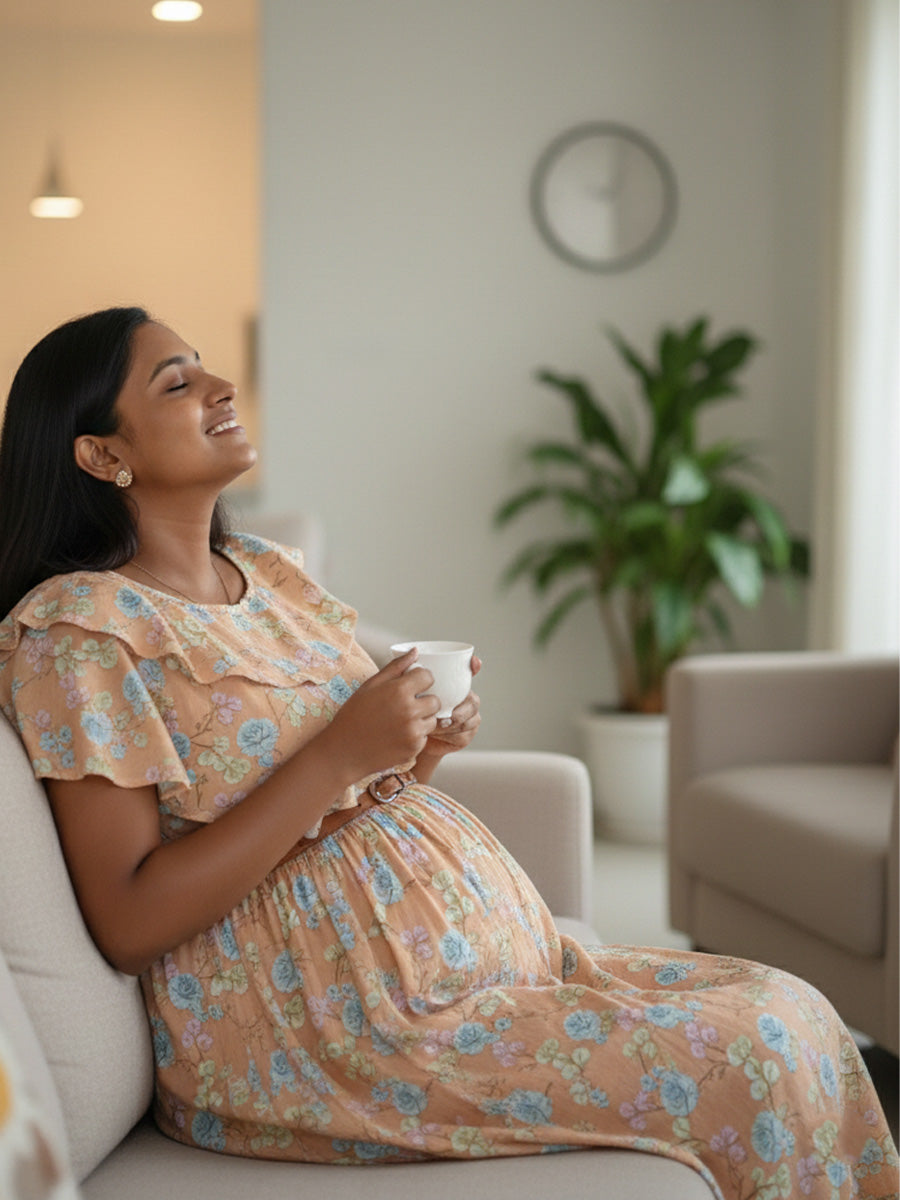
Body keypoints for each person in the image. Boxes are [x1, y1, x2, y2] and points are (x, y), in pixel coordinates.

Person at [0, 308, 895, 1198]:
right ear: (101, 455)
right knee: (758, 1052)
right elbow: (125, 920)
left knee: (795, 1009)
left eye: (203, 366)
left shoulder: (267, 574)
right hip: (324, 1034)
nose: (222, 387)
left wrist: (413, 749)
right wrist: (342, 755)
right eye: (177, 383)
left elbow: (346, 802)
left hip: (468, 985)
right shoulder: (82, 633)